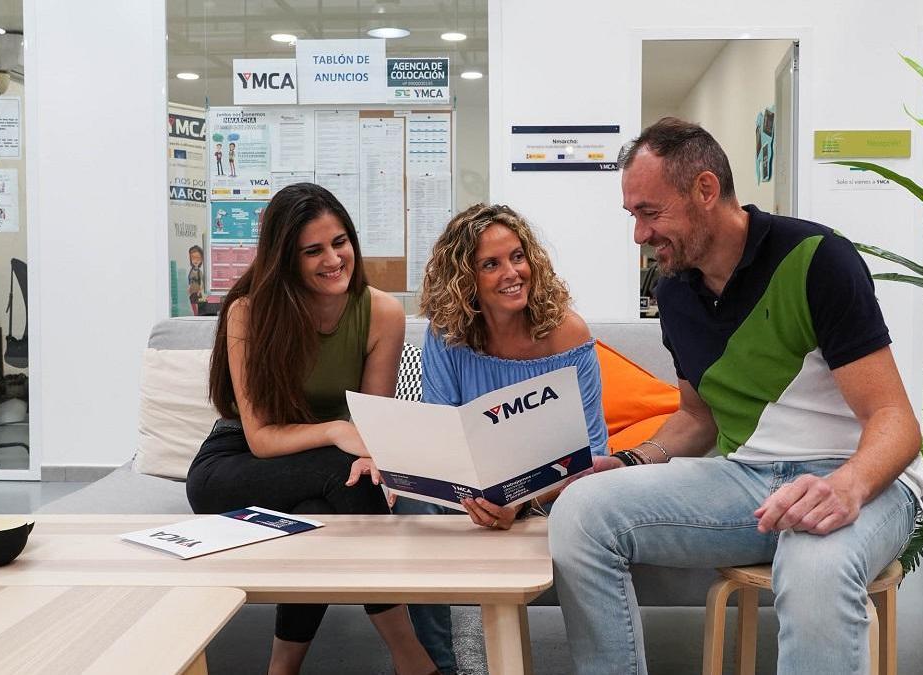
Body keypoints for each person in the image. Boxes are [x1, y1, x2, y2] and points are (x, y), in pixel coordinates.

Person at [547, 117, 923, 675]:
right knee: (580, 513)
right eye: (633, 216)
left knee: (814, 568)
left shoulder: (818, 259)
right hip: (746, 480)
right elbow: (696, 417)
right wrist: (631, 462)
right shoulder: (673, 291)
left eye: (650, 213)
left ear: (705, 189)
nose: (640, 235)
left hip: (862, 479)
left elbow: (895, 419)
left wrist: (845, 486)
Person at [185, 182, 436, 675]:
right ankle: (412, 658)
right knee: (337, 473)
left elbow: (371, 426)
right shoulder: (249, 312)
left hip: (322, 469)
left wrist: (364, 453)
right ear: (285, 258)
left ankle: (282, 669)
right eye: (313, 250)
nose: (332, 259)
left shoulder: (381, 312)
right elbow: (260, 438)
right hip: (234, 465)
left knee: (322, 507)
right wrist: (336, 433)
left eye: (340, 242)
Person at [397, 202, 610, 673]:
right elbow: (442, 430)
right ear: (464, 279)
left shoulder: (567, 333)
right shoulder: (446, 334)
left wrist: (519, 499)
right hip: (470, 490)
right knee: (412, 508)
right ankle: (443, 667)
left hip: (552, 492)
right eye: (490, 264)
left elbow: (594, 452)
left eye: (517, 256)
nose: (512, 272)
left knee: (586, 508)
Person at [187, 244, 204, 315]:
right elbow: (190, 281)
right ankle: (195, 316)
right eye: (193, 258)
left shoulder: (200, 272)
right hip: (192, 293)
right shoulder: (191, 271)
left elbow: (202, 283)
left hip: (197, 293)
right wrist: (189, 288)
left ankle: (197, 316)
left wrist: (200, 291)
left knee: (198, 308)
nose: (196, 260)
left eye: (198, 258)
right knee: (193, 306)